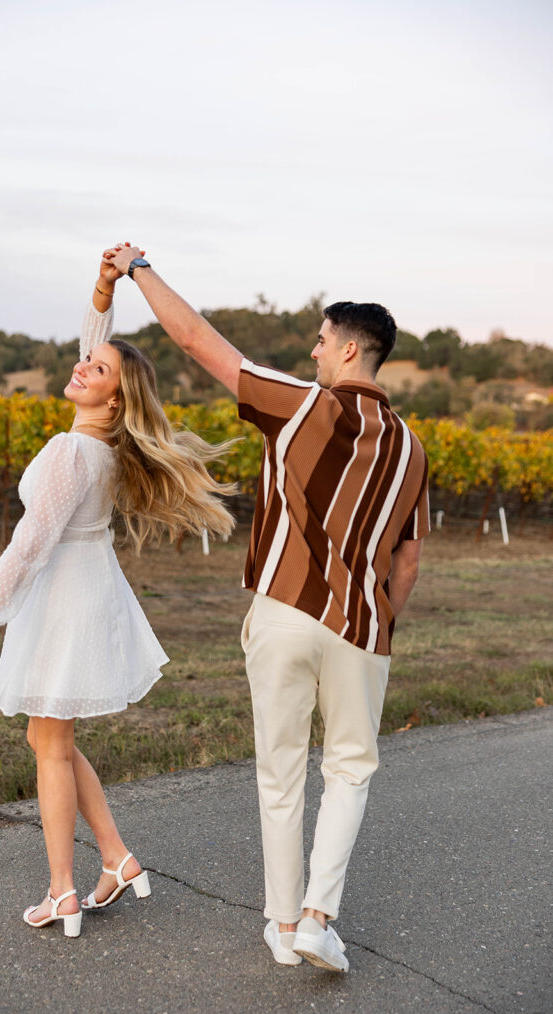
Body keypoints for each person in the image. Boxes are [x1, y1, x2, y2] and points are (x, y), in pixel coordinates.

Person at [106, 244, 430, 971]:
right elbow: (406, 561)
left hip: (282, 610)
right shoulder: (412, 449)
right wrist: (378, 628)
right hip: (362, 629)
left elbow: (195, 341)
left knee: (279, 769)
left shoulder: (301, 405)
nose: (312, 352)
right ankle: (318, 917)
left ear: (349, 347)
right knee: (348, 770)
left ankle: (283, 927)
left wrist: (139, 267)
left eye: (319, 340)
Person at [0, 250, 235, 939]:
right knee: (54, 738)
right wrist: (105, 287)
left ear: (115, 397)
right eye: (87, 361)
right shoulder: (93, 442)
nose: (81, 367)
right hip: (79, 591)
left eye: (96, 370)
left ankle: (63, 891)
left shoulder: (75, 453)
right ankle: (116, 858)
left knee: (48, 743)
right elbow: (94, 351)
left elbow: (30, 542)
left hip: (65, 598)